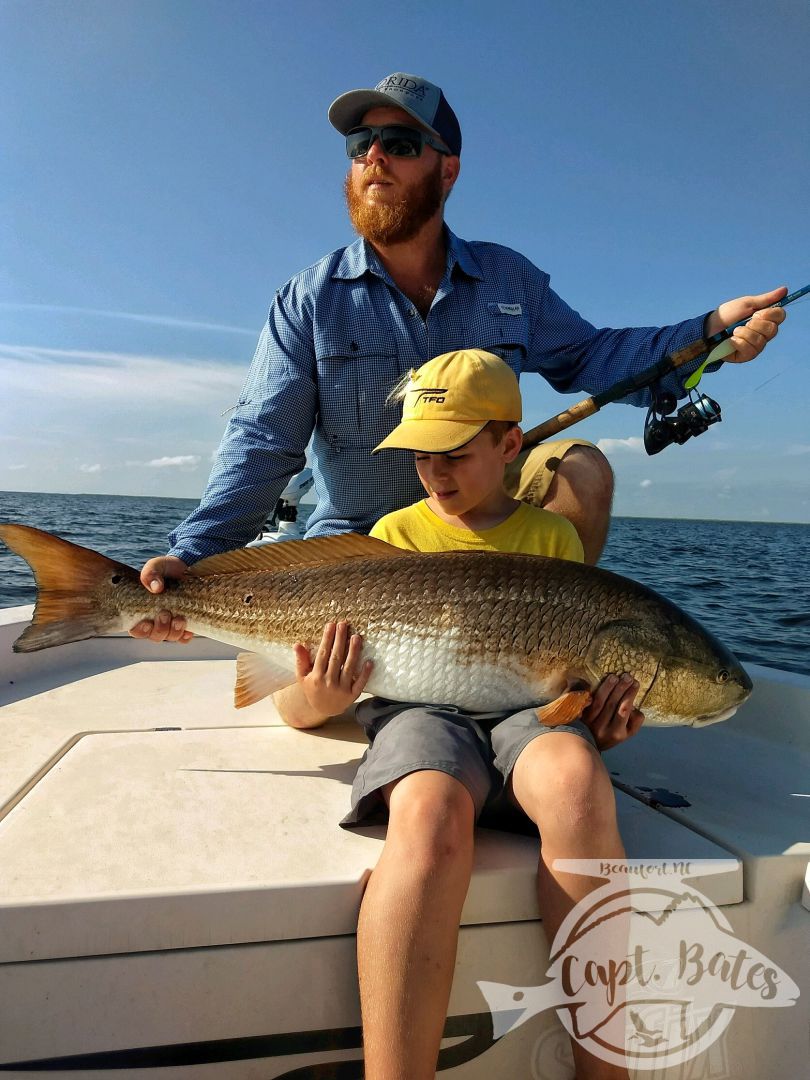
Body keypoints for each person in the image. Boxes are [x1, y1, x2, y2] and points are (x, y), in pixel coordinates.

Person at [130, 69, 786, 651]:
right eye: (361, 147)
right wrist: (194, 555)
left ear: (448, 169)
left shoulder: (510, 280)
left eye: (401, 144)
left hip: (486, 554)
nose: (375, 158)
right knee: (313, 704)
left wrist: (709, 333)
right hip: (361, 550)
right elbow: (264, 441)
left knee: (582, 468)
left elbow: (594, 356)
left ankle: (555, 664)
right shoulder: (307, 300)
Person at [274, 348, 642, 1080]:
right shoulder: (391, 539)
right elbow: (294, 706)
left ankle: (609, 1071)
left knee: (576, 781)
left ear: (511, 445)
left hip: (527, 715)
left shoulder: (554, 541)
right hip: (420, 711)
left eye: (456, 452)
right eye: (420, 455)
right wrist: (325, 694)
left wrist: (599, 723)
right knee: (431, 811)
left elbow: (565, 683)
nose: (436, 473)